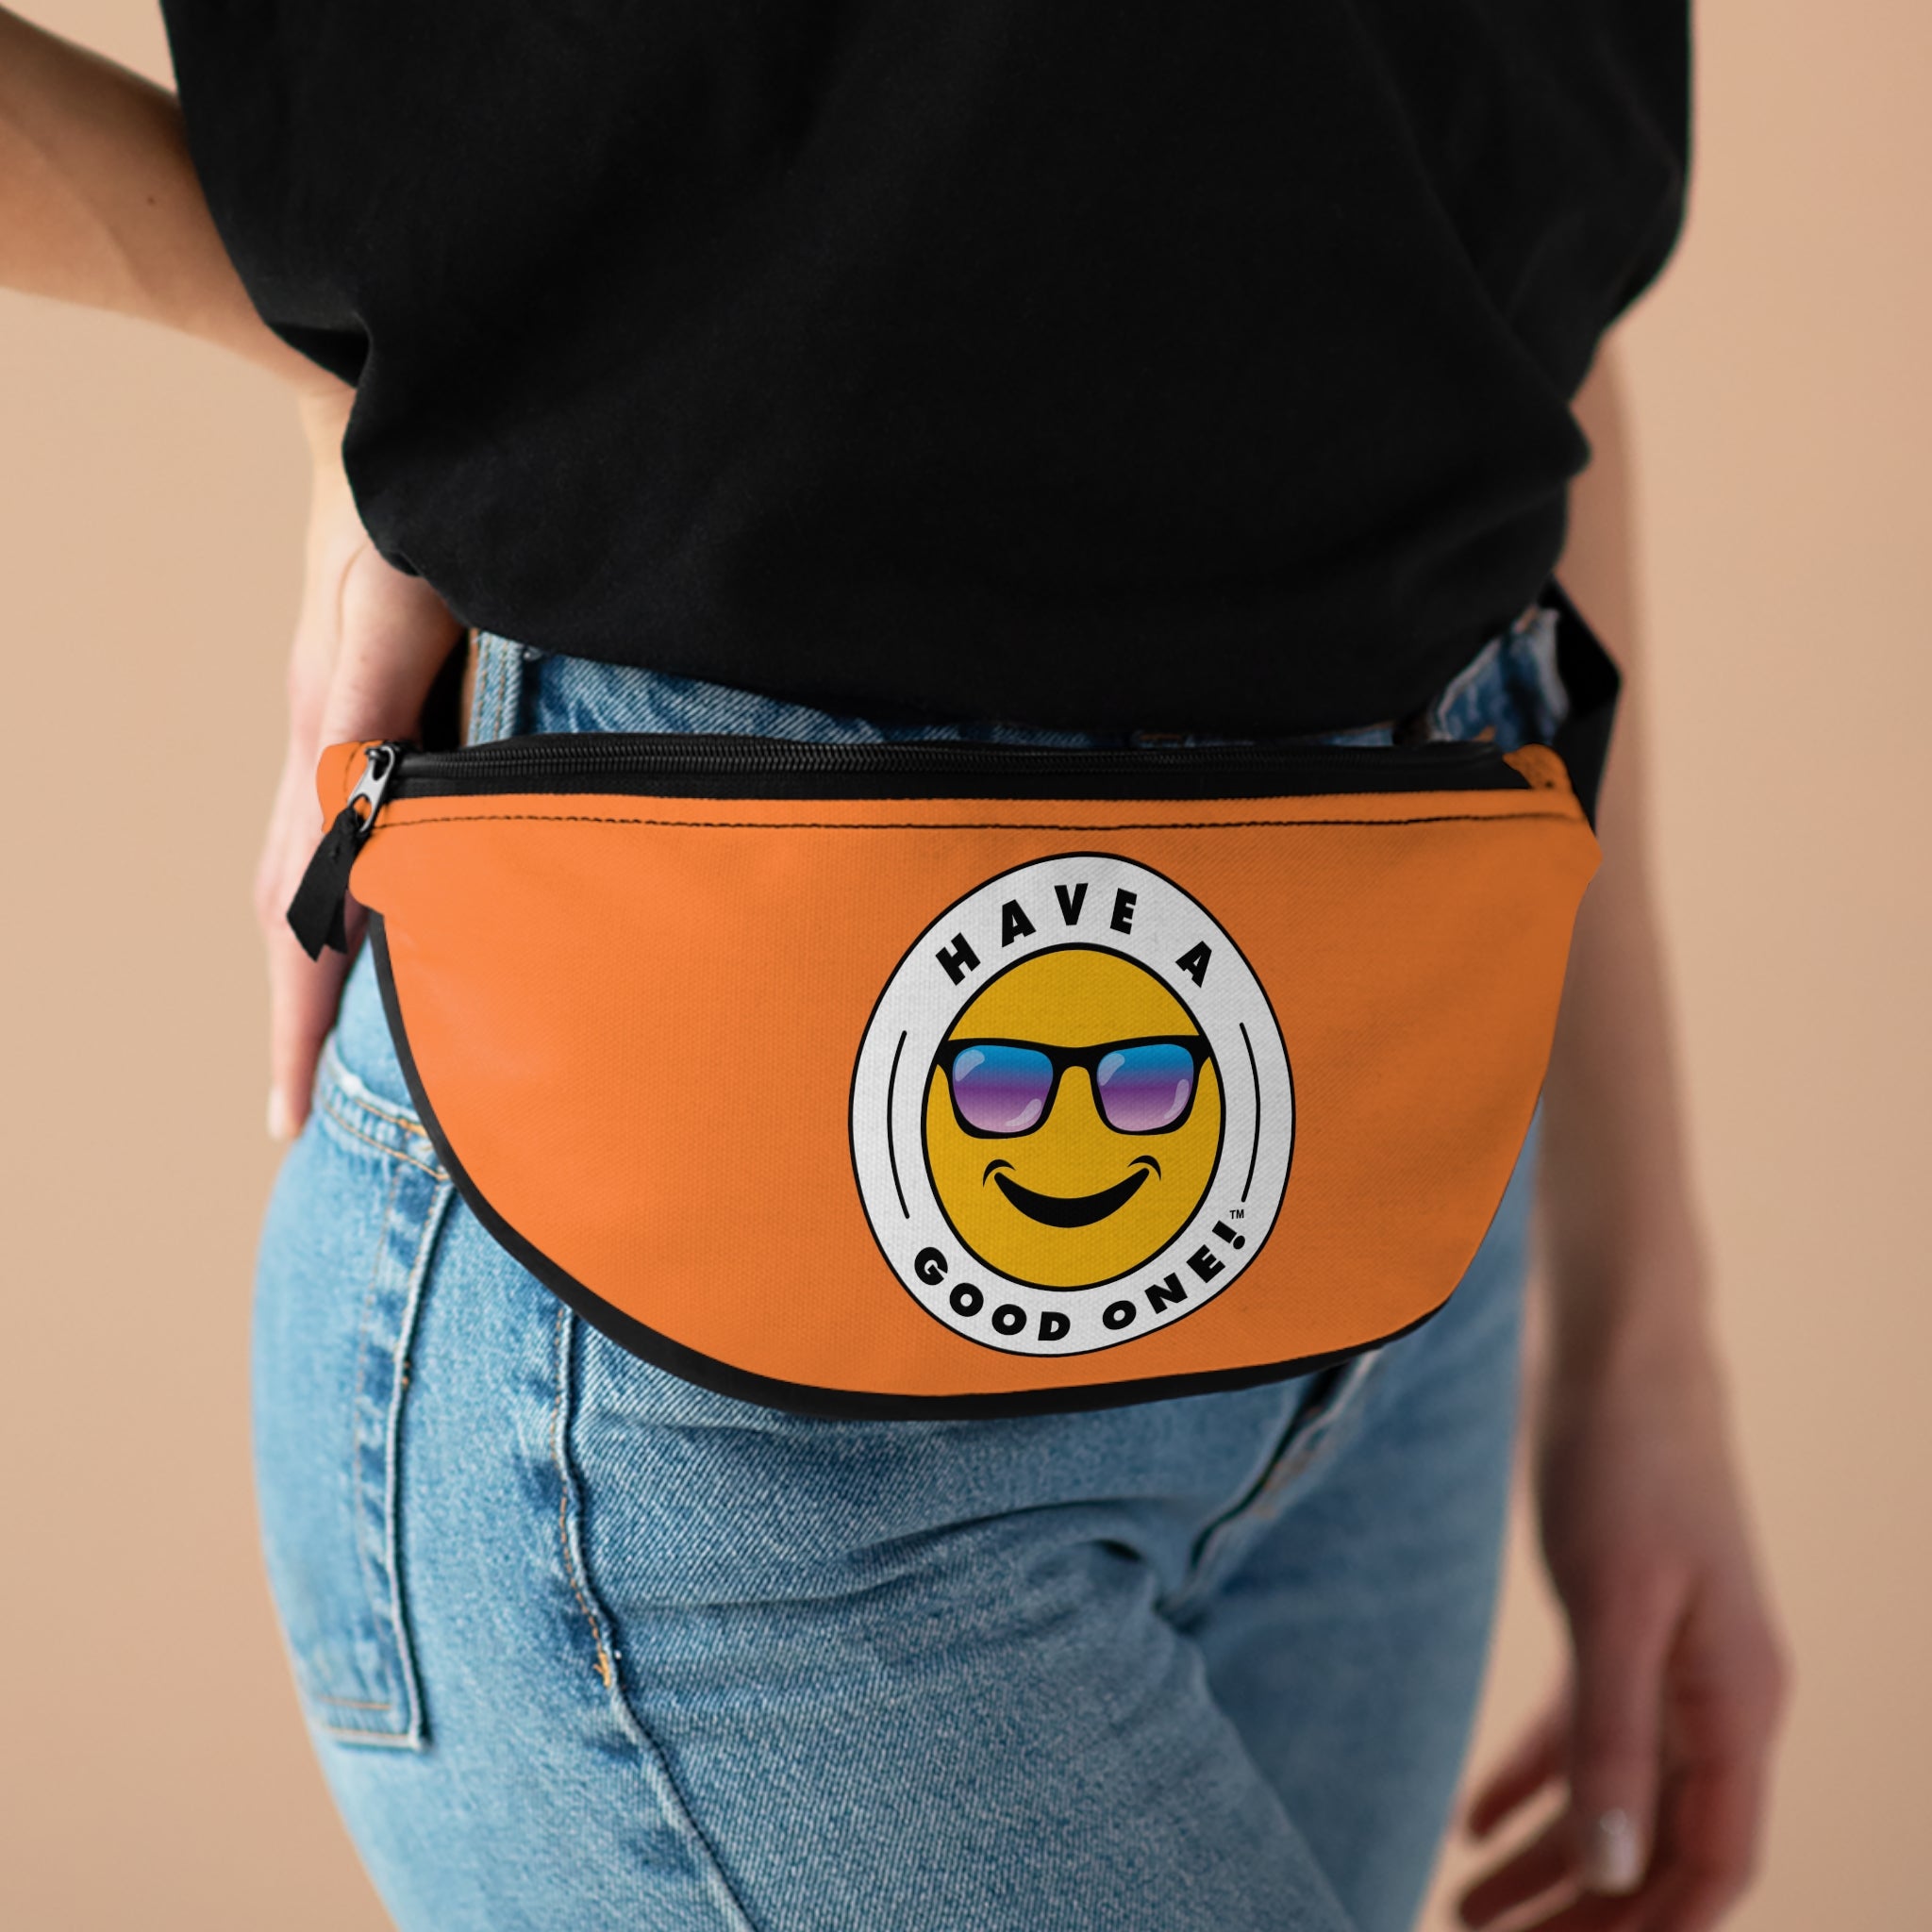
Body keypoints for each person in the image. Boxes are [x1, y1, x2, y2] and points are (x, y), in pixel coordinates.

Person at [0, 8, 1787, 1929]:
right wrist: (361, 376)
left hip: (1403, 1193)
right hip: (717, 1363)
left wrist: (1641, 1331)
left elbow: (1504, 271)